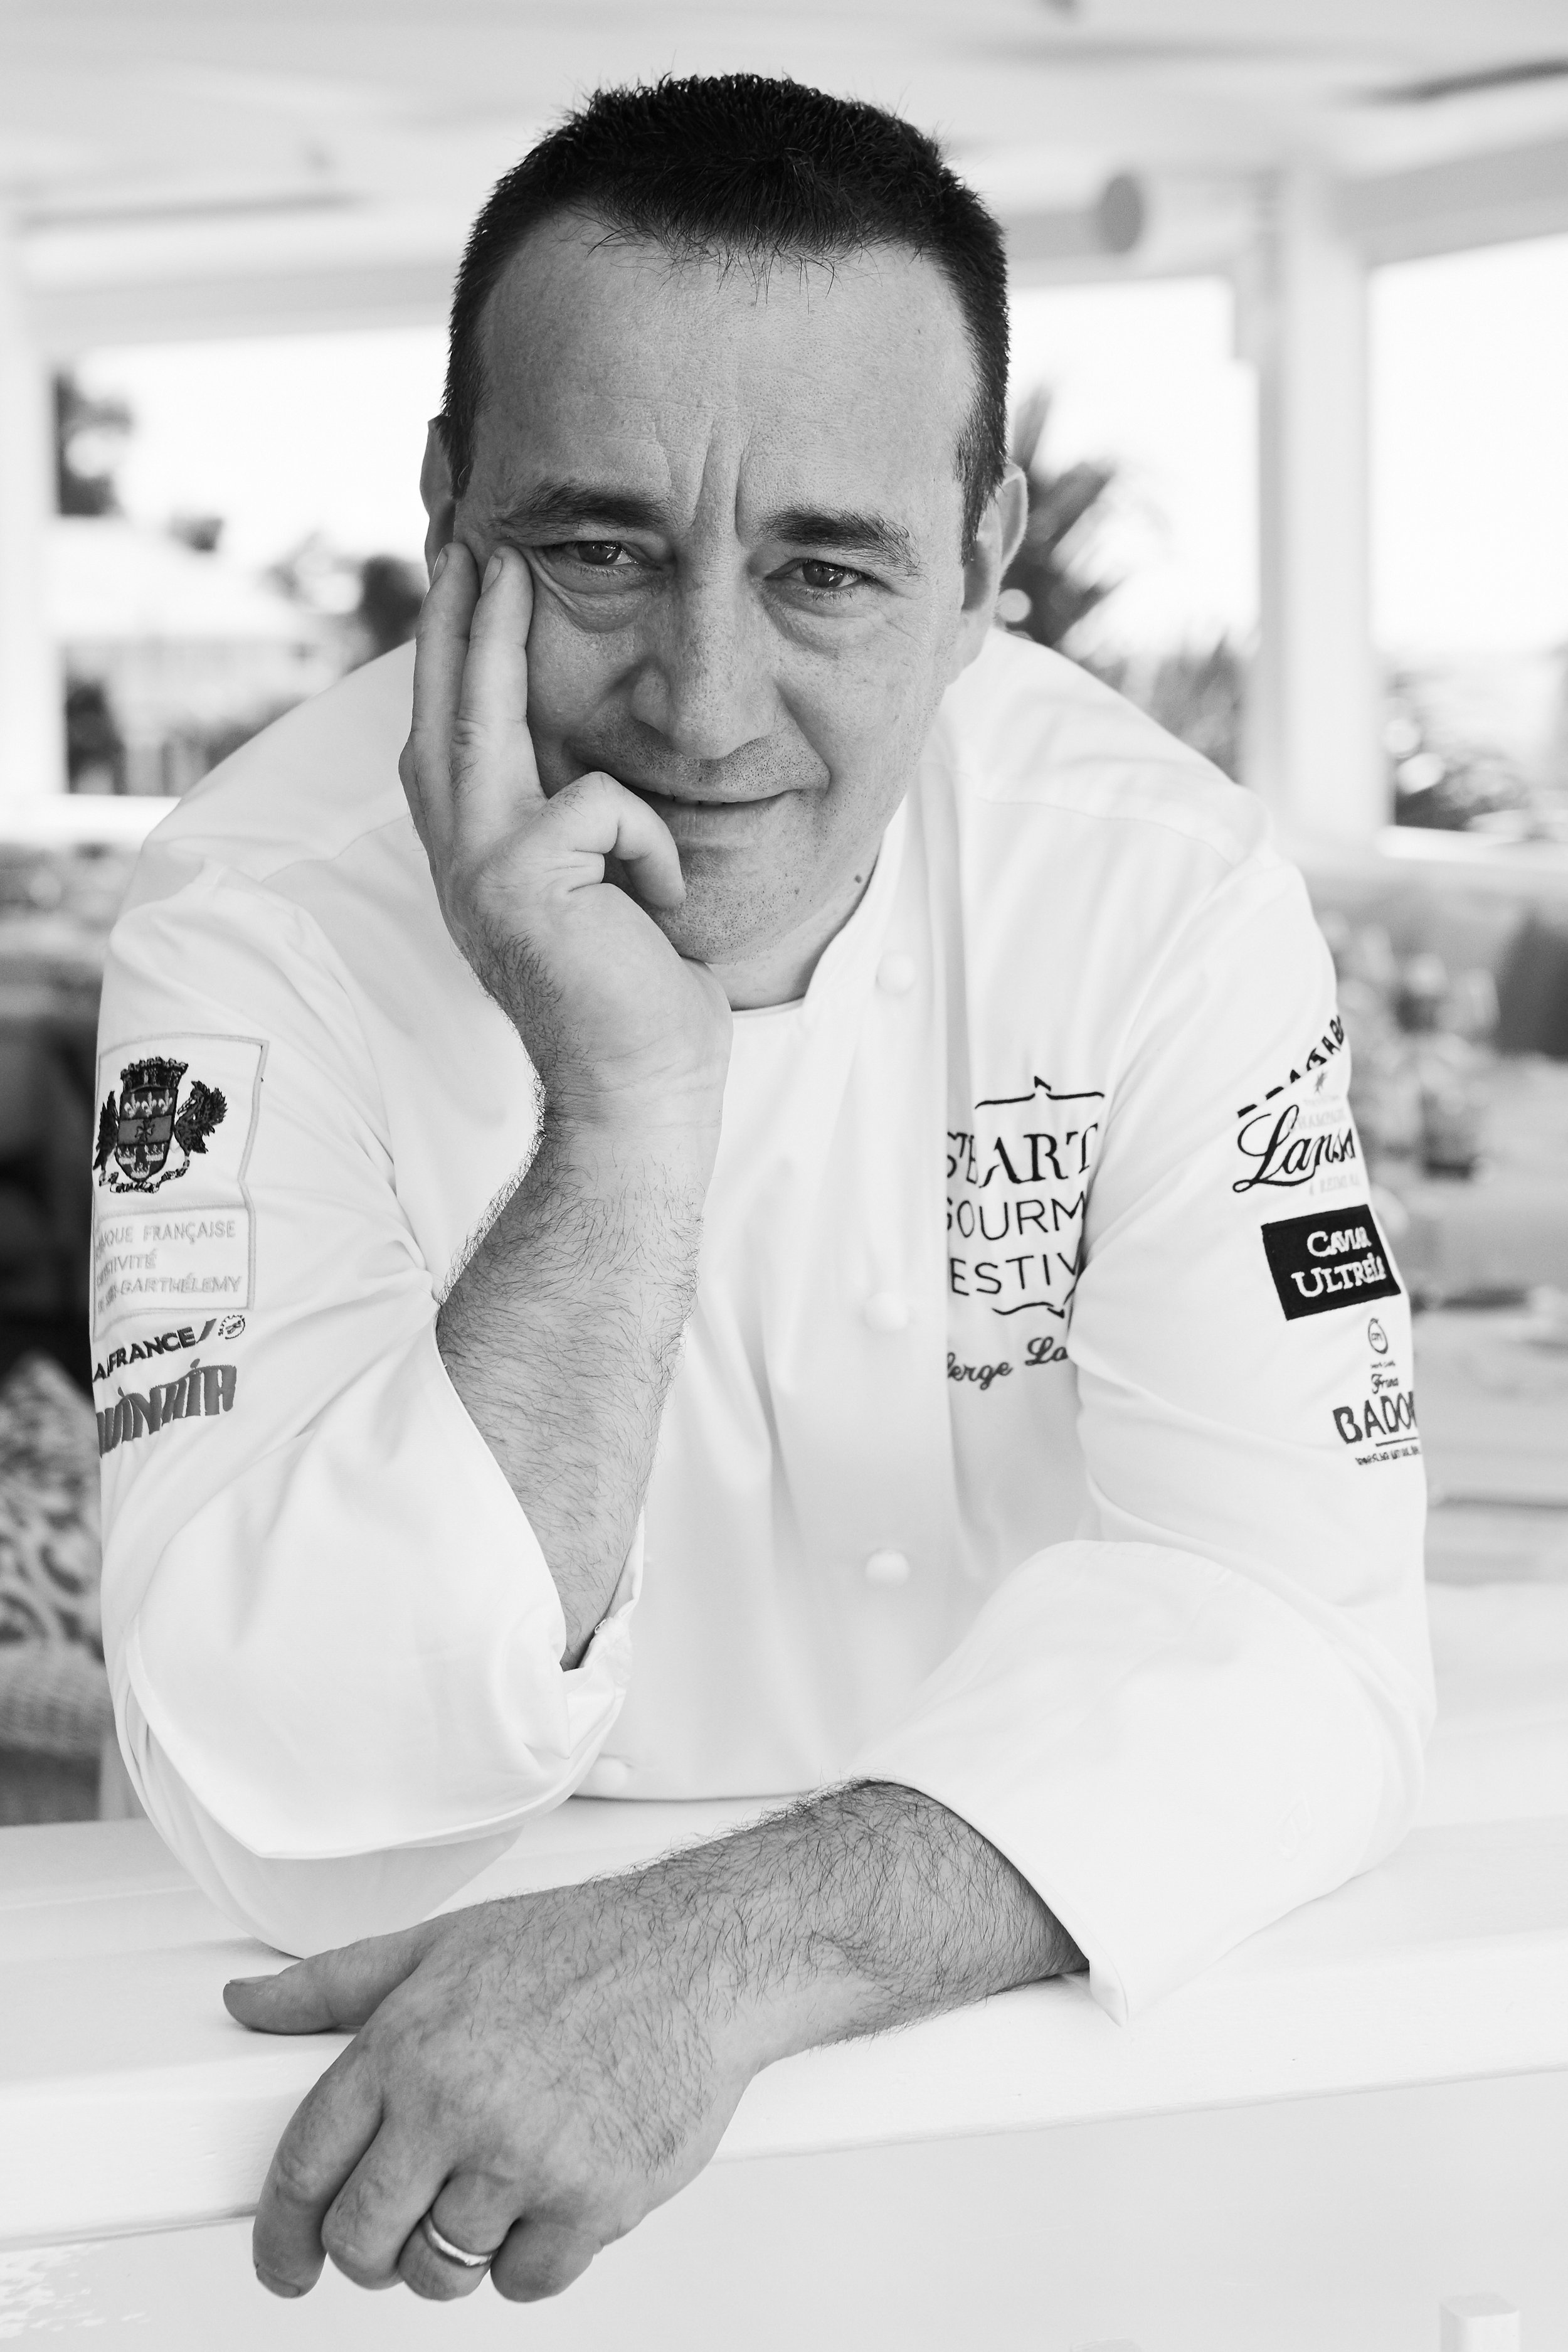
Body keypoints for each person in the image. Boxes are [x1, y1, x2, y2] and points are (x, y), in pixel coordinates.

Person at [92, 74, 1431, 2309]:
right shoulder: (259, 915)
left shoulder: (1154, 883)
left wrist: (721, 1954)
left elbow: (1303, 1623)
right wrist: (623, 1102)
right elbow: (289, 1768)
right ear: (447, 510)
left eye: (825, 569)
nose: (704, 705)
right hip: (413, 2114)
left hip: (1005, 2025)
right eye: (599, 550)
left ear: (987, 555)